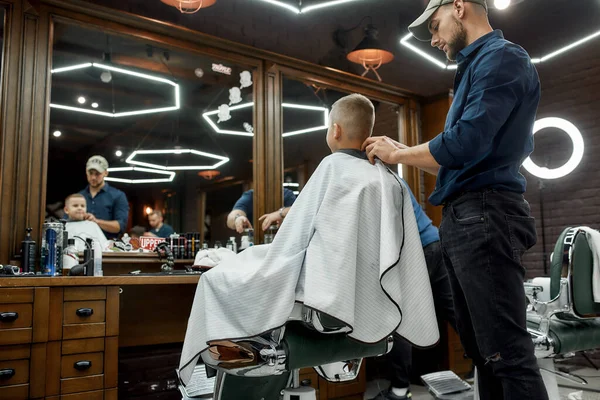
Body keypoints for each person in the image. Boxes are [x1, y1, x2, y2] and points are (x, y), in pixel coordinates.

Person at [178, 94, 440, 385]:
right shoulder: (386, 177)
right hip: (369, 292)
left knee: (214, 281)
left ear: (335, 130)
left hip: (325, 302)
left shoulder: (332, 167)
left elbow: (291, 245)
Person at [363, 1, 547, 399]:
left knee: (506, 355)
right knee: (484, 355)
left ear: (459, 7)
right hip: (468, 216)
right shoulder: (475, 69)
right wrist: (403, 151)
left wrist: (399, 154)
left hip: (485, 214)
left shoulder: (500, 59)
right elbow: (458, 163)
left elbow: (465, 142)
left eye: (434, 25)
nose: (433, 39)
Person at [371, 186, 456, 400]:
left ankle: (399, 392)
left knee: (399, 318)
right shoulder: (392, 178)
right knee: (454, 311)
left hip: (417, 250)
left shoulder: (370, 180)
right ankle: (492, 364)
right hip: (435, 242)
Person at [79, 155, 129, 239]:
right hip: (80, 246)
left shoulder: (118, 196)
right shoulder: (79, 197)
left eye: (97, 174)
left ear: (106, 173)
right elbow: (66, 222)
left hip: (107, 248)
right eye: (90, 173)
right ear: (86, 172)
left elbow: (120, 226)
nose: (93, 177)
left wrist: (96, 221)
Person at [227, 188, 297, 233]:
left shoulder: (287, 195)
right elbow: (231, 219)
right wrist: (238, 218)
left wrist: (281, 213)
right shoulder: (249, 196)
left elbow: (299, 211)